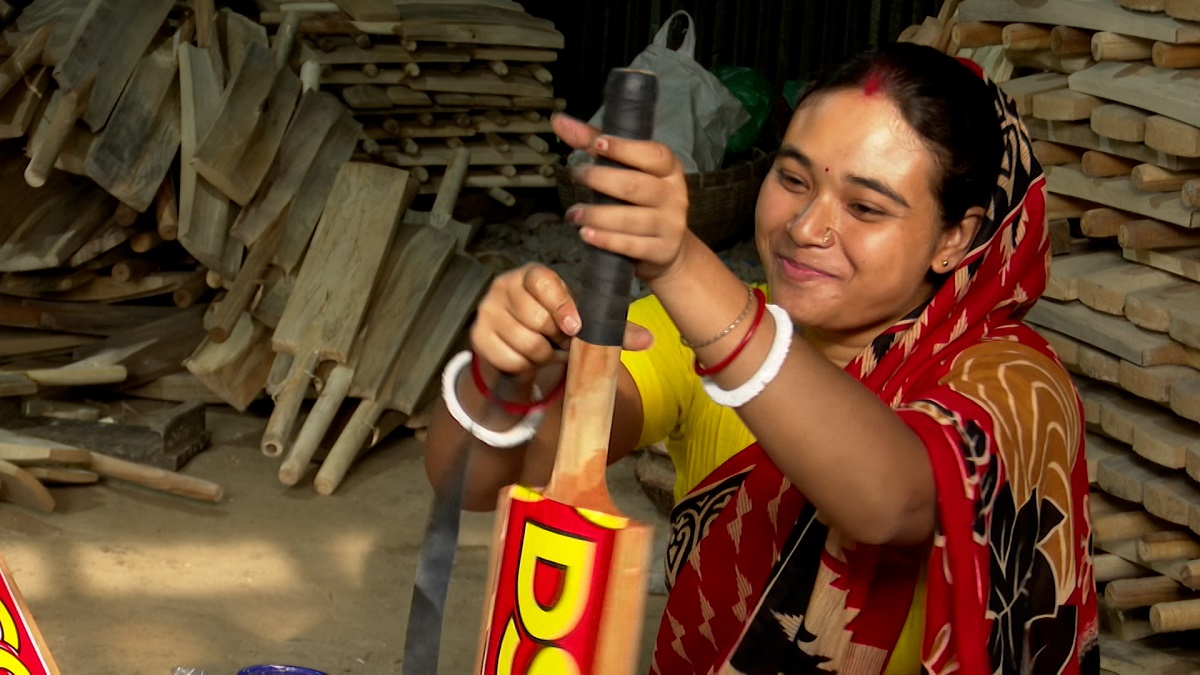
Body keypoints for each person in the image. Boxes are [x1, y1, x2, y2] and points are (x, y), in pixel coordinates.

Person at [426, 42, 1098, 673]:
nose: (805, 227)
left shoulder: (1013, 381)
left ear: (955, 237)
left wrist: (681, 260)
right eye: (793, 177)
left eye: (865, 206)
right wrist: (506, 376)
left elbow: (891, 503)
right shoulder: (694, 328)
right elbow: (476, 480)